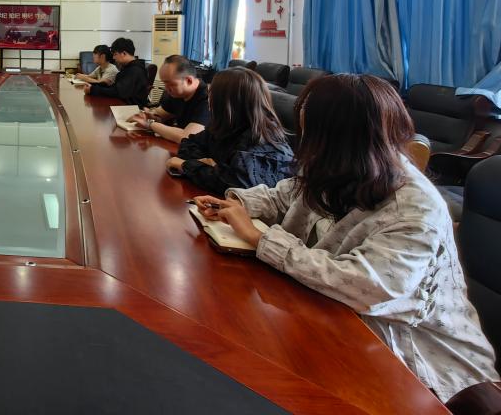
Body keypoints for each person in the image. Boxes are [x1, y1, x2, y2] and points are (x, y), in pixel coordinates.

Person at [194, 74, 499, 403]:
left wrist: (262, 239)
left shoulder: (415, 207)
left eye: (313, 135)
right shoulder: (337, 167)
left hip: (417, 361)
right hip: (330, 316)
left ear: (342, 140)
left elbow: (365, 286)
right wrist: (237, 204)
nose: (305, 146)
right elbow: (285, 196)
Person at [166, 67, 294, 195]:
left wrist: (186, 165)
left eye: (211, 94)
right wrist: (208, 166)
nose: (208, 99)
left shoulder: (260, 138)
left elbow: (236, 184)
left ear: (225, 102)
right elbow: (189, 143)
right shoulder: (226, 125)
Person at [130, 55, 209, 141]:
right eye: (164, 83)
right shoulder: (178, 93)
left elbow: (186, 136)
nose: (166, 89)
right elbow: (161, 113)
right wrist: (149, 115)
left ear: (189, 81)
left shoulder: (208, 99)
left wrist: (149, 124)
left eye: (170, 84)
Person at [87, 37, 150, 107]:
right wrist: (97, 86)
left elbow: (117, 92)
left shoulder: (135, 70)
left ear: (124, 53)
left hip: (132, 109)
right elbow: (117, 88)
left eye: (115, 54)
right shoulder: (128, 68)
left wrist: (93, 90)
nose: (113, 58)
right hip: (123, 105)